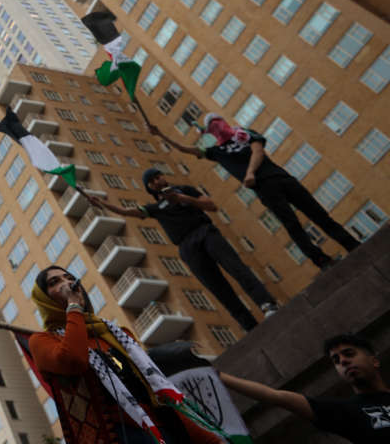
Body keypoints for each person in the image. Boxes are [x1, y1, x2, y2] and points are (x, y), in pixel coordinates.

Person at [28, 265, 222, 444]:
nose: (66, 284)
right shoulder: (43, 341)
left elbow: (155, 389)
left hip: (165, 428)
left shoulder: (116, 334)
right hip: (119, 435)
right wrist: (73, 306)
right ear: (44, 299)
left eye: (69, 278)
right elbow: (74, 360)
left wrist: (208, 439)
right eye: (55, 282)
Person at [149, 113, 360, 269]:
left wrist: (250, 173)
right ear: (210, 132)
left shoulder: (244, 134)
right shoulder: (215, 151)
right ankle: (321, 260)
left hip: (280, 178)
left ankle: (351, 244)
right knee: (292, 224)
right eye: (212, 125)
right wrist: (161, 135)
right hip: (265, 190)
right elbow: (185, 149)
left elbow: (258, 151)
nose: (218, 125)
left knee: (318, 213)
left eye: (218, 121)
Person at [88, 168, 278, 331]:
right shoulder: (155, 207)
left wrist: (183, 198)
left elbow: (211, 205)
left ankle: (266, 304)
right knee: (218, 287)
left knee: (236, 268)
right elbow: (127, 211)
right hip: (187, 247)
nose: (157, 180)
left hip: (204, 232)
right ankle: (250, 326)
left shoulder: (185, 191)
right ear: (150, 188)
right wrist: (103, 203)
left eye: (158, 176)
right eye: (152, 181)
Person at [219, 333, 390, 443]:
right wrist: (217, 375)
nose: (343, 361)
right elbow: (275, 396)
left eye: (349, 354)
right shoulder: (346, 411)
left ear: (374, 361)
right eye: (336, 360)